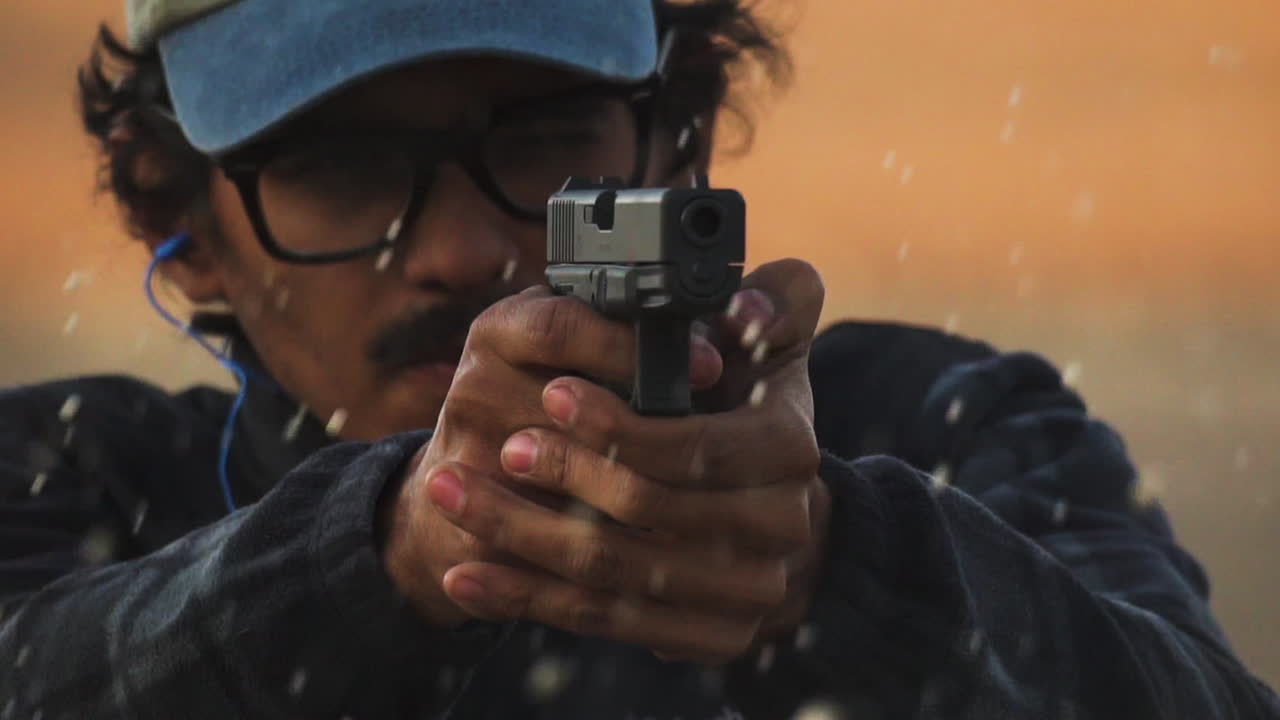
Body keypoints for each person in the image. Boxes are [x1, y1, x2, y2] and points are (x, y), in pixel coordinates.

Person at [1, 0, 1276, 717]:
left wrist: (850, 570)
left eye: (544, 130)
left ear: (676, 147)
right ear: (186, 231)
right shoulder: (63, 478)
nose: (455, 247)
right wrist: (380, 557)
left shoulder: (949, 427)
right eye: (334, 162)